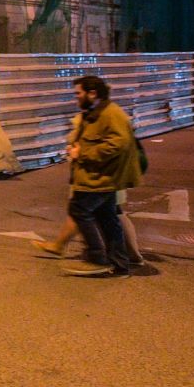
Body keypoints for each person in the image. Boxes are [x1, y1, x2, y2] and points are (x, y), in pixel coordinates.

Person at [57, 75, 145, 277]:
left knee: (79, 211)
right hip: (98, 177)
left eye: (78, 93)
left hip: (99, 178)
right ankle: (120, 265)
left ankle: (97, 258)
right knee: (108, 219)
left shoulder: (111, 114)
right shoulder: (97, 111)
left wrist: (83, 153)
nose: (76, 98)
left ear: (92, 93)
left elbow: (118, 144)